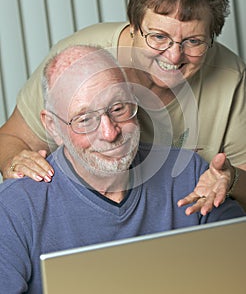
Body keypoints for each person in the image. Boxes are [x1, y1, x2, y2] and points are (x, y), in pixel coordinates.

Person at [0, 0, 246, 216]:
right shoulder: (77, 62)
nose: (174, 56)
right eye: (159, 37)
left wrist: (230, 178)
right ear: (133, 25)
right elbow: (11, 138)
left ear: (212, 38)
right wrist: (15, 160)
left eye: (194, 41)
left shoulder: (231, 76)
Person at [0, 45, 244, 293]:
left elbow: (238, 270)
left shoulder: (188, 174)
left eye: (118, 108)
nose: (109, 133)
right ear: (53, 127)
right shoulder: (14, 208)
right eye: (85, 119)